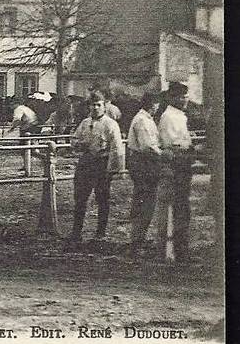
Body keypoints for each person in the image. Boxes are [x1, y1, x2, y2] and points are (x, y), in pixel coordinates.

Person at [68, 91, 125, 246]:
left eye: (98, 105)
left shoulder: (110, 124)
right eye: (92, 105)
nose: (95, 108)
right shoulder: (85, 123)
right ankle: (76, 232)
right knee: (80, 198)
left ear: (104, 106)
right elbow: (74, 140)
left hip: (101, 163)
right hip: (86, 162)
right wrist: (78, 144)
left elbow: (117, 148)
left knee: (102, 199)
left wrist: (116, 169)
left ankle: (100, 233)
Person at [158, 82, 195, 262]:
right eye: (181, 96)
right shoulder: (169, 116)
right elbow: (171, 143)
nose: (185, 99)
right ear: (172, 98)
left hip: (183, 161)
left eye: (185, 96)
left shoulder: (180, 115)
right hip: (176, 163)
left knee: (183, 206)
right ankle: (178, 250)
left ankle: (182, 248)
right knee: (179, 206)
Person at [127, 91, 162, 257]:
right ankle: (137, 241)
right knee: (145, 202)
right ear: (151, 104)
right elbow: (147, 146)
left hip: (144, 162)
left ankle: (139, 238)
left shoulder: (147, 119)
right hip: (143, 163)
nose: (157, 107)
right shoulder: (142, 120)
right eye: (156, 103)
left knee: (145, 201)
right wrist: (164, 155)